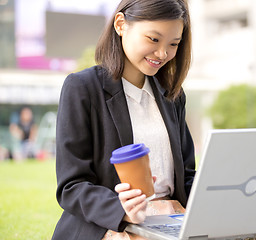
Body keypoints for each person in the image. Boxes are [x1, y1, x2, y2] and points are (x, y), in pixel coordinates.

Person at [51, 0, 196, 239]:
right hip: (111, 223)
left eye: (173, 44)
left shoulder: (172, 96)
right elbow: (71, 186)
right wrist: (123, 210)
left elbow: (186, 176)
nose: (162, 54)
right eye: (153, 39)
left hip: (170, 220)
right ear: (121, 24)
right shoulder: (83, 88)